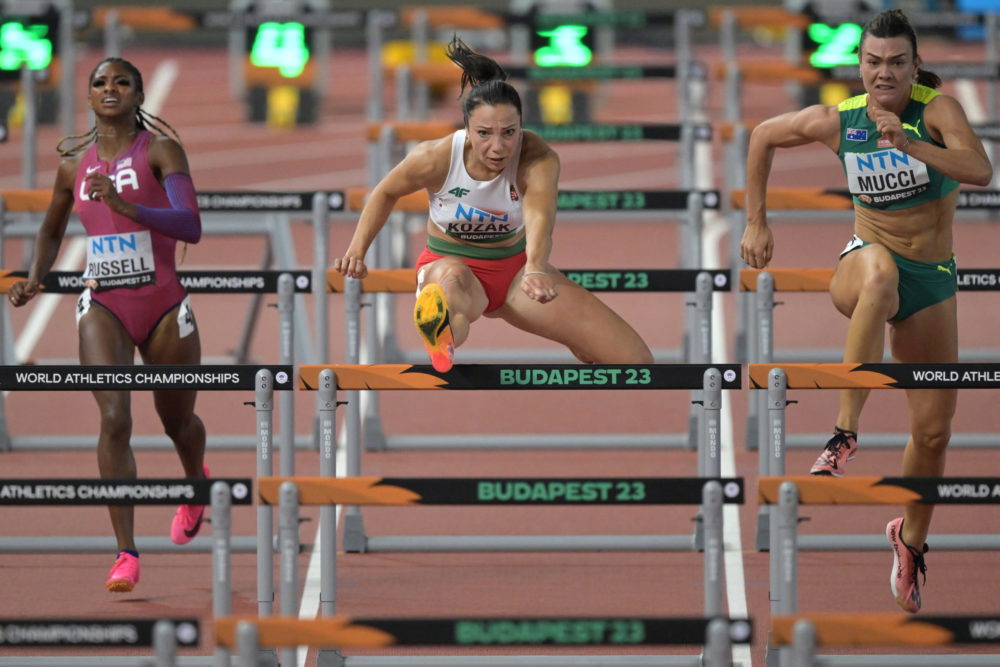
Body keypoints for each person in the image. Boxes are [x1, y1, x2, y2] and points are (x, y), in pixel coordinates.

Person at [740, 9, 992, 613]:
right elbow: (761, 137)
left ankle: (910, 541)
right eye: (873, 62)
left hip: (930, 279)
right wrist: (756, 219)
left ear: (913, 66)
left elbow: (981, 171)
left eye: (897, 63)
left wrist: (913, 145)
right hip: (863, 266)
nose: (884, 74)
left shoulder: (938, 111)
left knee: (933, 433)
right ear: (860, 65)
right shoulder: (840, 120)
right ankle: (843, 434)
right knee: (878, 270)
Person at [9, 57, 210, 593]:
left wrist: (125, 204)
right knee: (115, 419)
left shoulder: (162, 151)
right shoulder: (73, 165)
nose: (110, 88)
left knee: (178, 424)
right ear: (90, 97)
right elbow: (51, 230)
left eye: (122, 81)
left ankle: (196, 483)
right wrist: (35, 278)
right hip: (103, 303)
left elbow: (190, 225)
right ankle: (126, 552)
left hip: (165, 303)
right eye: (100, 82)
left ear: (138, 93)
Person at [333, 36, 652, 371]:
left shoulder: (537, 157)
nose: (498, 147)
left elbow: (540, 216)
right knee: (452, 289)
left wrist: (536, 267)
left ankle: (575, 339)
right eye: (485, 134)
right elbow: (384, 192)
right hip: (452, 266)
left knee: (636, 362)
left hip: (514, 274)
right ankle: (439, 328)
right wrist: (357, 250)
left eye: (509, 132)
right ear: (467, 131)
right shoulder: (436, 157)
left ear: (521, 127)